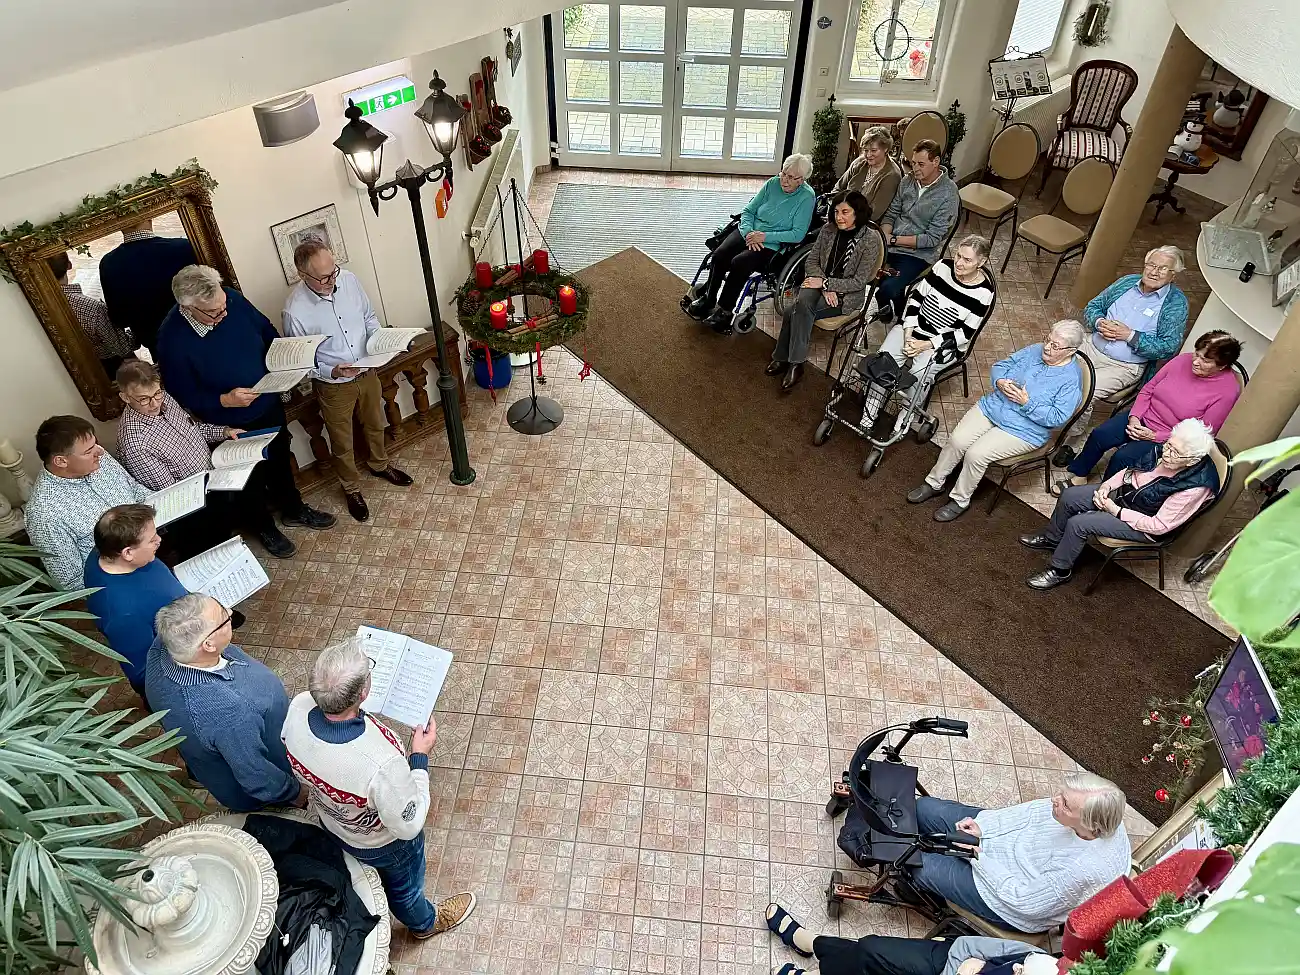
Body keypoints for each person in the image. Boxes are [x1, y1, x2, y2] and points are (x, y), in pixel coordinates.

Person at [281, 639, 477, 940]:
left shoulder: (298, 708)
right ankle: (424, 923)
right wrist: (419, 758)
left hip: (334, 824)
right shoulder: (379, 763)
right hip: (383, 843)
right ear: (362, 693)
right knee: (405, 889)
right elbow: (409, 823)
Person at [156, 265, 336, 537]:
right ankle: (264, 528)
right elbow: (181, 393)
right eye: (215, 312)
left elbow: (265, 330)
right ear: (188, 307)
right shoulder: (171, 339)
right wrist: (223, 400)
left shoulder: (230, 299)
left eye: (223, 305)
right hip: (228, 421)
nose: (224, 313)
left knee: (279, 459)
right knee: (247, 479)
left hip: (267, 402)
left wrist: (285, 359)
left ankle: (293, 508)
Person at [282, 240, 414, 523]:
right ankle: (351, 488)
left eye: (334, 272)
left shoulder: (350, 280)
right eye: (324, 278)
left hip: (368, 371)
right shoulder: (294, 311)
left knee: (375, 422)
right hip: (333, 385)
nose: (332, 281)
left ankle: (379, 464)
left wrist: (379, 340)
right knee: (342, 442)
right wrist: (333, 371)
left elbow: (368, 317)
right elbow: (303, 361)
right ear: (303, 275)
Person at [906, 771, 1130, 932]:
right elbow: (1030, 813)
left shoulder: (1083, 869)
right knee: (923, 808)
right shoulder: (1096, 811)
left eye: (1064, 804)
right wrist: (983, 826)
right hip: (1001, 849)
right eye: (1060, 794)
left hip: (1009, 901)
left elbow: (1025, 902)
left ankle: (922, 890)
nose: (1054, 800)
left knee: (919, 867)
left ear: (1090, 824)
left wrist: (978, 856)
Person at [115, 360, 297, 558]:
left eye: (157, 393)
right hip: (193, 508)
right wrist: (215, 485)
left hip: (213, 478)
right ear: (124, 397)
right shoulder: (135, 442)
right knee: (215, 553)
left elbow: (195, 429)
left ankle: (264, 530)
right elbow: (174, 495)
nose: (155, 403)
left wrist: (225, 431)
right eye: (144, 399)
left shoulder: (164, 398)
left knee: (254, 477)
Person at [907, 321, 1085, 522]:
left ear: (1071, 351)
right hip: (995, 406)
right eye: (1048, 339)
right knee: (957, 440)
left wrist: (1027, 403)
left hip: (1025, 429)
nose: (1046, 347)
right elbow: (1001, 366)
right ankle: (934, 483)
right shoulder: (1035, 350)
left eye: (1055, 346)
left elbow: (1057, 418)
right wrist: (1000, 381)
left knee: (976, 454)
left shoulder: (1071, 380)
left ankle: (960, 500)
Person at [146, 593, 305, 812]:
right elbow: (256, 775)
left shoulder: (166, 645)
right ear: (209, 644)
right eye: (223, 616)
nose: (230, 613)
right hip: (272, 767)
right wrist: (296, 793)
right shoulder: (227, 711)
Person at [1022, 419, 1220, 590]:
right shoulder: (1166, 449)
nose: (1166, 454)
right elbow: (1130, 471)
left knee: (1079, 523)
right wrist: (1106, 488)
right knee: (1071, 495)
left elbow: (1159, 526)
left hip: (1145, 523)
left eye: (1175, 453)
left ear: (1193, 460)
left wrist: (1115, 510)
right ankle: (1053, 539)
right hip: (1128, 496)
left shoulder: (1194, 488)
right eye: (1168, 445)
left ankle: (1060, 570)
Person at [1056, 330, 1241, 492]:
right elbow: (1148, 389)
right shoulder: (1182, 360)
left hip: (1169, 438)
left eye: (1205, 360)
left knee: (1122, 458)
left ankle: (1104, 494)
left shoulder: (1227, 391)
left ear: (1222, 366)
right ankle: (1079, 475)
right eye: (1197, 354)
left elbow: (1200, 434)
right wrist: (1135, 418)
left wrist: (1154, 436)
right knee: (1100, 435)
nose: (1195, 362)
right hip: (1143, 416)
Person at [1054, 246, 1190, 465]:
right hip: (1091, 346)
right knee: (1052, 365)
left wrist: (1130, 336)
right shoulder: (1127, 282)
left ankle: (1073, 440)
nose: (1154, 272)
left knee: (1083, 393)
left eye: (1162, 269)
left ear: (1173, 275)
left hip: (1124, 366)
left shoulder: (1175, 304)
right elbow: (1094, 306)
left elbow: (1168, 347)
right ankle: (1042, 417)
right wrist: (1099, 323)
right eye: (1151, 265)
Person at [860, 235, 995, 435]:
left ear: (981, 262)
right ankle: (869, 414)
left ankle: (904, 420)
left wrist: (924, 345)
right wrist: (908, 334)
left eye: (967, 260)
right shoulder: (942, 267)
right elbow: (916, 298)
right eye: (958, 255)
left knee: (919, 374)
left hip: (942, 344)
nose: (958, 263)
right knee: (884, 361)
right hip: (913, 329)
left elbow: (964, 334)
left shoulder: (984, 293)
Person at [687, 154, 816, 333]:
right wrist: (749, 233)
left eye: (791, 177)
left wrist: (763, 237)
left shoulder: (807, 197)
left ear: (802, 180)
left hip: (772, 243)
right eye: (784, 174)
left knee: (739, 263)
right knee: (719, 254)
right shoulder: (773, 183)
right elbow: (748, 211)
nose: (784, 180)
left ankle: (724, 312)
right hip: (748, 231)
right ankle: (709, 298)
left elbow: (797, 234)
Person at [767, 191, 880, 391]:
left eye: (845, 212)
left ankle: (786, 359)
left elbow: (859, 282)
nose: (839, 217)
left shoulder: (869, 240)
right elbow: (811, 261)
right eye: (836, 211)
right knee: (800, 306)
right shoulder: (828, 230)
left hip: (845, 296)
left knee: (793, 310)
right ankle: (794, 363)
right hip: (817, 283)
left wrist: (826, 284)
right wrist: (824, 284)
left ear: (858, 213)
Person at [24, 415, 150, 590]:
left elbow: (136, 490)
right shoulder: (44, 515)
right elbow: (71, 583)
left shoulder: (99, 459)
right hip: (127, 580)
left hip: (159, 536)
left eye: (95, 443)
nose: (100, 451)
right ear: (61, 461)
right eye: (88, 450)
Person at [764, 904, 1052, 975]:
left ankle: (813, 944)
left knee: (868, 959)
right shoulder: (1065, 965)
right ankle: (814, 944)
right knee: (870, 949)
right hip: (956, 959)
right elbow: (1012, 951)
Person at [84, 504, 185, 698]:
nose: (159, 540)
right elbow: (144, 672)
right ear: (128, 553)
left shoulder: (104, 551)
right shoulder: (122, 615)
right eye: (152, 540)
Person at [876, 140, 960, 322]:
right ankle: (898, 308)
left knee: (887, 288)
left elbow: (931, 239)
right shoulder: (907, 181)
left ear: (935, 162)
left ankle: (898, 310)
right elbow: (891, 213)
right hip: (890, 243)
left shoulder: (948, 194)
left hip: (918, 254)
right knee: (869, 272)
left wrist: (893, 240)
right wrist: (884, 237)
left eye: (921, 164)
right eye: (913, 163)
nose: (915, 169)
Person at [98, 218, 198, 357]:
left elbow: (119, 318)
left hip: (157, 344)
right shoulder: (184, 247)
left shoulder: (108, 263)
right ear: (150, 215)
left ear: (117, 223)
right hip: (198, 333)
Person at [49, 251, 137, 375]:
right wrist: (137, 328)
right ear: (69, 265)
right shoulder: (91, 307)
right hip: (110, 370)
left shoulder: (39, 306)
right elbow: (123, 348)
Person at [832, 125, 903, 222]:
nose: (868, 155)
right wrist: (833, 211)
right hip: (841, 217)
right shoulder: (860, 162)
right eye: (865, 150)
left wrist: (845, 219)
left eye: (874, 150)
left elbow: (874, 214)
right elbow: (838, 188)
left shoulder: (892, 175)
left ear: (885, 149)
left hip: (865, 224)